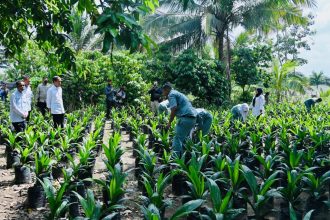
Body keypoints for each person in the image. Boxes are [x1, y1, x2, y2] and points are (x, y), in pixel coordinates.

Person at [163, 83, 197, 157]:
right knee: (184, 139)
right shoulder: (178, 93)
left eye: (163, 91)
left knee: (177, 139)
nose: (163, 93)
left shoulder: (171, 94)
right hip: (192, 119)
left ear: (166, 90)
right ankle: (184, 158)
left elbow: (173, 108)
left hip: (185, 118)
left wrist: (169, 123)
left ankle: (175, 161)